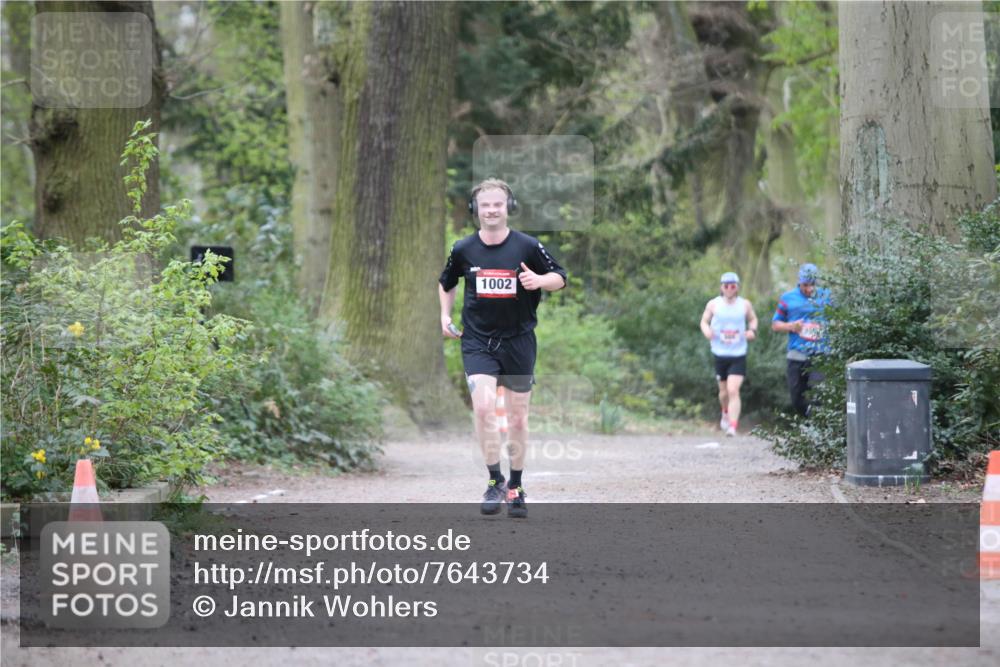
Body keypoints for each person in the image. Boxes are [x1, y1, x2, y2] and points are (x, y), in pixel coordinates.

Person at [438, 178, 567, 518]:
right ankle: (495, 480)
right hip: (478, 340)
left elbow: (560, 276)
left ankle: (517, 485)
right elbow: (446, 282)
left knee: (518, 418)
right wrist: (444, 316)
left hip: (519, 341)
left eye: (498, 204)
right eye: (485, 205)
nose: (492, 210)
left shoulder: (526, 246)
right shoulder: (463, 248)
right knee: (482, 409)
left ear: (507, 208)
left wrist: (539, 281)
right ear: (475, 210)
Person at [700, 272, 758, 436]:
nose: (729, 289)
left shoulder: (745, 304)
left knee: (733, 390)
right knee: (724, 392)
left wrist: (752, 331)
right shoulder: (713, 304)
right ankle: (724, 411)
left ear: (737, 287)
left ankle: (733, 426)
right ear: (721, 287)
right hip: (720, 353)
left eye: (733, 286)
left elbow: (753, 319)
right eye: (726, 286)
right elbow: (704, 321)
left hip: (738, 354)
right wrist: (707, 331)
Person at [771, 263, 830, 416]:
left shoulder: (827, 296)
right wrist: (791, 326)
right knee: (797, 398)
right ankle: (808, 420)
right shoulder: (787, 298)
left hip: (821, 354)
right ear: (799, 282)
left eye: (813, 285)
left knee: (819, 393)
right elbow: (775, 324)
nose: (809, 289)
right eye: (805, 285)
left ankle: (817, 428)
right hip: (797, 354)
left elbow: (840, 318)